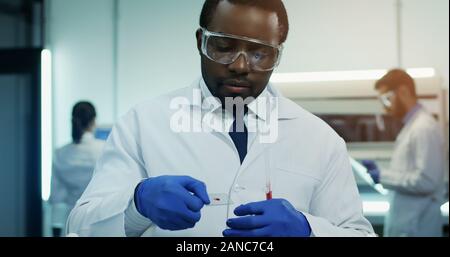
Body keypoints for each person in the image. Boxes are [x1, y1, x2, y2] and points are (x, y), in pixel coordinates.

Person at [67, 0, 374, 237]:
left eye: (259, 53)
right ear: (201, 41)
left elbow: (358, 232)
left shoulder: (319, 139)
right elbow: (80, 226)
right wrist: (138, 203)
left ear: (277, 55)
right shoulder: (143, 124)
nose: (240, 65)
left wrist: (308, 230)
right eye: (224, 47)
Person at [362, 69, 446, 237]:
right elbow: (408, 171)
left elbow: (426, 181)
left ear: (403, 91)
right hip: (409, 225)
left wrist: (383, 176)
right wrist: (381, 171)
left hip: (417, 227)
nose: (385, 106)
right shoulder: (412, 126)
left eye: (386, 98)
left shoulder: (424, 128)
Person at [50, 101, 105, 236]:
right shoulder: (105, 149)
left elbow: (56, 198)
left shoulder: (60, 153)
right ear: (93, 121)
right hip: (100, 220)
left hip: (72, 223)